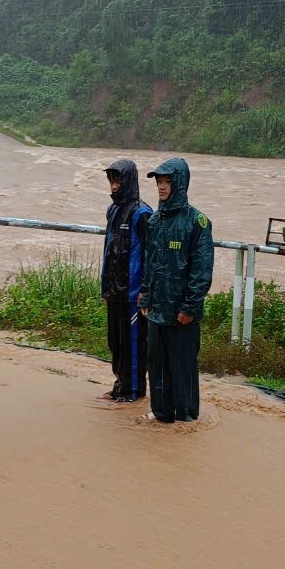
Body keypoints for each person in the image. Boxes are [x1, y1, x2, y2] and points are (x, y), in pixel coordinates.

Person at [139, 158, 214, 423]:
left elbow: (201, 271)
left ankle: (186, 419)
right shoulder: (155, 220)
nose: (161, 187)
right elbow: (151, 264)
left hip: (182, 314)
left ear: (180, 183)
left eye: (167, 181)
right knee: (156, 366)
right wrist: (145, 296)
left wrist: (189, 308)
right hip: (156, 310)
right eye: (159, 182)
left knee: (182, 368)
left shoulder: (198, 222)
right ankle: (162, 414)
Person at [98, 159, 153, 404]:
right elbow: (108, 250)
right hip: (114, 292)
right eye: (111, 179)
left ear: (128, 180)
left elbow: (152, 256)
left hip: (133, 295)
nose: (114, 184)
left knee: (133, 344)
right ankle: (120, 386)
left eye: (118, 179)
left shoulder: (143, 213)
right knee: (116, 343)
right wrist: (105, 290)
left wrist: (145, 290)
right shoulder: (112, 210)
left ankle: (133, 391)